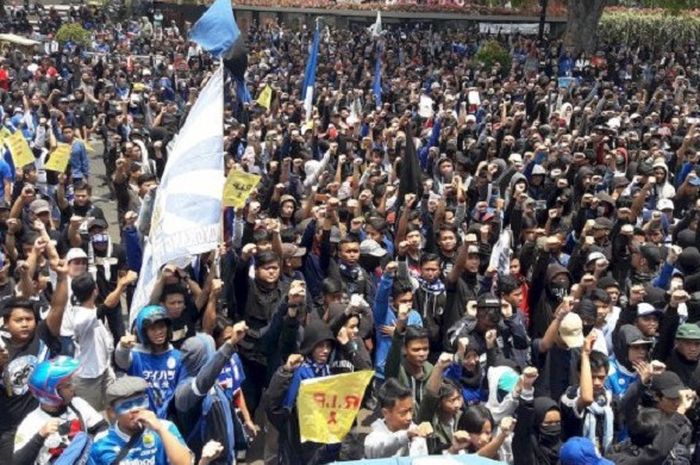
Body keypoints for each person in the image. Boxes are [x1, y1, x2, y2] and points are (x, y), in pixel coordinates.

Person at [13, 357, 107, 465]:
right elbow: (17, 462)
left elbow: (102, 427)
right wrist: (40, 436)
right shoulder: (32, 422)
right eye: (67, 385)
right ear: (50, 393)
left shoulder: (77, 404)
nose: (73, 388)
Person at [89, 376, 194, 465]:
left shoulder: (166, 428)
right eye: (127, 405)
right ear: (112, 412)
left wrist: (160, 430)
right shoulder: (102, 441)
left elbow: (185, 463)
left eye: (140, 402)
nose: (135, 409)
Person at [114, 305, 186, 418]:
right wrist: (123, 347)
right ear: (144, 332)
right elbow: (121, 361)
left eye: (162, 327)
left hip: (170, 418)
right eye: (152, 329)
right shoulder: (136, 355)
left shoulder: (177, 357)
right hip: (141, 417)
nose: (159, 332)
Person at [364, 378, 431, 459]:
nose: (409, 417)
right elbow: (377, 450)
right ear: (386, 413)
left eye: (411, 410)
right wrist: (406, 436)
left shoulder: (416, 431)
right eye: (403, 412)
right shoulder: (373, 435)